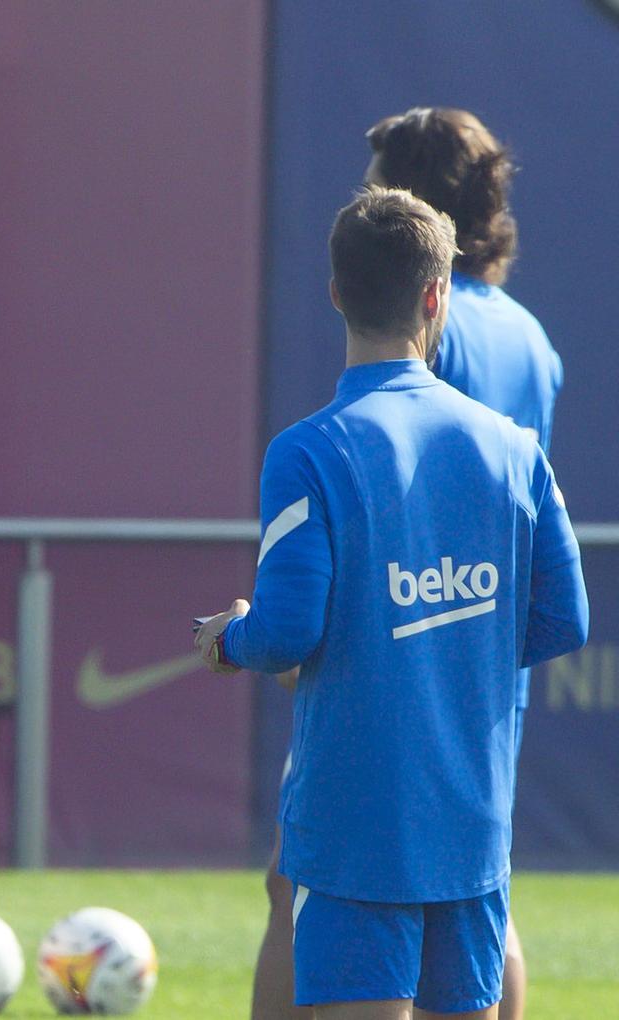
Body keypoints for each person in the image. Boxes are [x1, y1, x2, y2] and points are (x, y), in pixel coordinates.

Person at [196, 187, 586, 1020]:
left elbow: (287, 630)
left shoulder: (307, 451)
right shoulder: (513, 448)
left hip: (357, 822)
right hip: (469, 821)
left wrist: (231, 637)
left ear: (335, 291)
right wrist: (446, 653)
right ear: (436, 293)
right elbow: (567, 619)